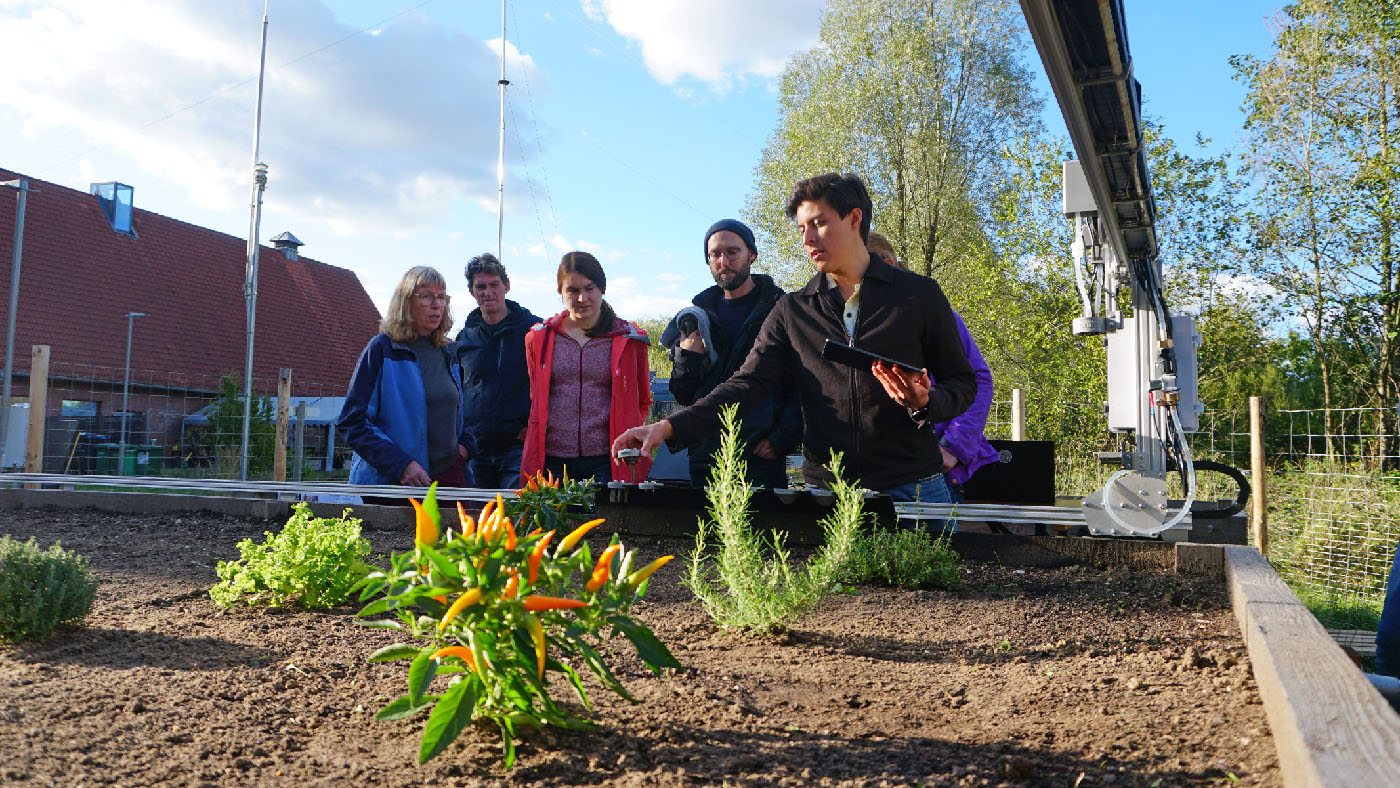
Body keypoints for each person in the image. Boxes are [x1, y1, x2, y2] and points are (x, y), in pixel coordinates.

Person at [612, 173, 976, 498]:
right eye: (802, 228)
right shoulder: (793, 310)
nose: (808, 238)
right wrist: (667, 427)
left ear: (854, 219)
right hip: (828, 494)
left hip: (913, 485)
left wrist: (926, 403)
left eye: (819, 223)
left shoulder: (919, 295)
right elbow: (745, 385)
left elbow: (964, 382)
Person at [662, 219, 802, 488]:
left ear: (752, 253)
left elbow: (801, 383)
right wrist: (687, 359)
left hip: (760, 456)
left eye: (732, 252)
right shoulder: (696, 318)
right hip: (706, 455)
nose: (723, 261)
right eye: (715, 254)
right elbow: (683, 395)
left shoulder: (780, 310)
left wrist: (782, 438)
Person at [866, 231, 998, 508]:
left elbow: (979, 381)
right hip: (875, 470)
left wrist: (953, 447)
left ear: (887, 264)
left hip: (932, 470)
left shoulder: (934, 314)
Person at [339, 265, 476, 488]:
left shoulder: (449, 352)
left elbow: (464, 416)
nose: (437, 305)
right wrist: (401, 465)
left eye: (441, 297)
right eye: (427, 296)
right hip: (392, 483)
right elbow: (352, 422)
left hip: (450, 478)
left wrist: (465, 448)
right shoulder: (382, 350)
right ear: (406, 302)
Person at [522, 251, 653, 484]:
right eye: (572, 290)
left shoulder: (631, 340)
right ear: (560, 292)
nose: (582, 298)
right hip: (552, 461)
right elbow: (536, 397)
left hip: (608, 460)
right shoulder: (539, 338)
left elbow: (642, 400)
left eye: (589, 288)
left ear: (602, 288)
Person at [454, 253, 541, 488]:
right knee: (475, 512)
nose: (488, 292)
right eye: (480, 287)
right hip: (476, 451)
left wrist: (532, 428)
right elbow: (456, 392)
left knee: (516, 511)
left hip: (517, 448)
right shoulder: (464, 338)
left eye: (494, 285)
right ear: (472, 291)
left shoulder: (533, 331)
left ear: (507, 286)